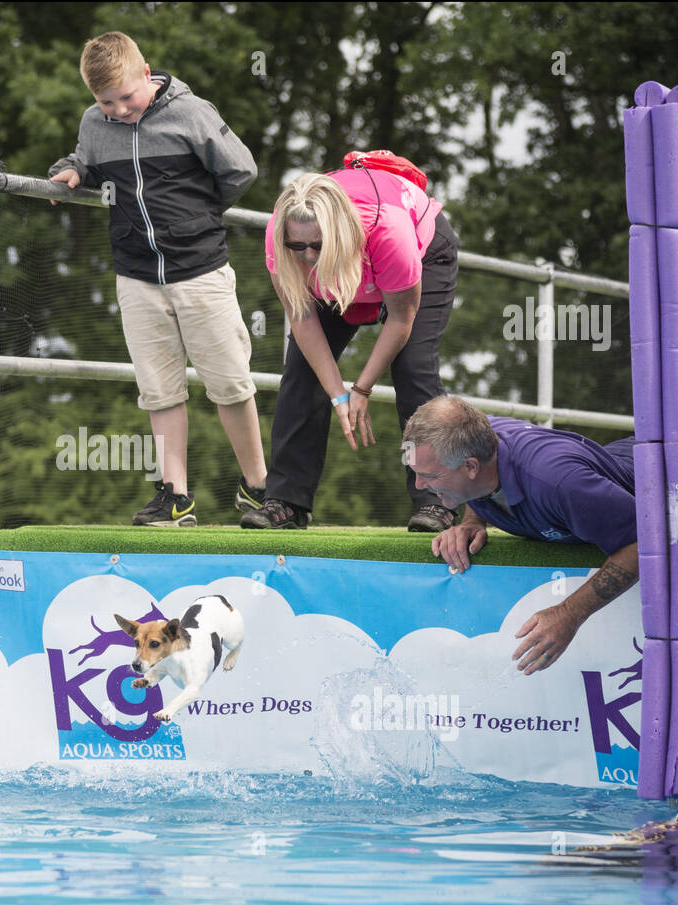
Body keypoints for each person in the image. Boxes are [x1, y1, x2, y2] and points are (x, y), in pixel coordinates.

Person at [48, 31, 267, 527]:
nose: (120, 109)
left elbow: (240, 170)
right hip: (137, 276)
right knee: (159, 391)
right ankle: (175, 496)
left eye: (127, 96)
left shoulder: (192, 113)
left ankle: (258, 487)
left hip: (202, 271)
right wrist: (69, 171)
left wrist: (197, 217)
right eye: (107, 102)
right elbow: (81, 157)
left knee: (230, 383)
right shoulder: (94, 122)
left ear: (147, 74)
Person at [240, 168, 459, 532]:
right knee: (301, 369)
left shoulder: (389, 233)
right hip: (349, 264)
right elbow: (303, 320)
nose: (307, 256)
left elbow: (402, 318)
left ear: (337, 235)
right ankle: (286, 502)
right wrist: (337, 395)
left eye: (317, 245)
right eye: (298, 246)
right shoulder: (281, 236)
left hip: (418, 254)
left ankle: (437, 500)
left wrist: (361, 388)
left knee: (413, 369)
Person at [402, 395, 640, 675]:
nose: (419, 485)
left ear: (470, 467)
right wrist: (473, 521)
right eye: (415, 472)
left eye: (430, 475)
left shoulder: (558, 483)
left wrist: (569, 614)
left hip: (673, 477)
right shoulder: (476, 438)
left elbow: (644, 543)